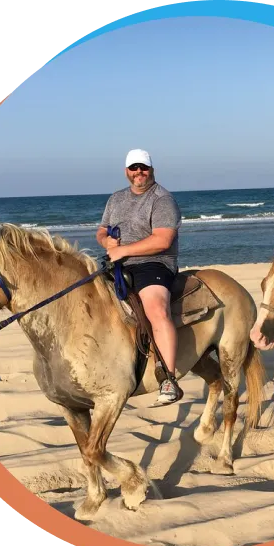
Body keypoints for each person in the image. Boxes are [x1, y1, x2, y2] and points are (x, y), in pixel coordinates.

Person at [96, 149, 184, 405]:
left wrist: (123, 250)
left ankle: (168, 378)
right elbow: (101, 231)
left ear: (151, 170)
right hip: (117, 262)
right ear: (126, 171)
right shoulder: (116, 198)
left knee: (157, 309)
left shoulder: (162, 199)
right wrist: (106, 241)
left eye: (143, 167)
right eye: (134, 168)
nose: (139, 172)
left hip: (154, 263)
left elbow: (163, 240)